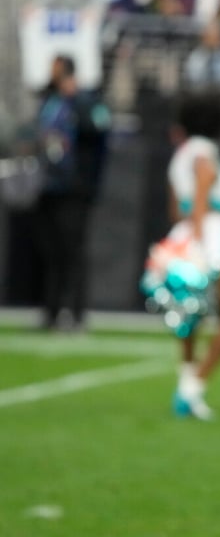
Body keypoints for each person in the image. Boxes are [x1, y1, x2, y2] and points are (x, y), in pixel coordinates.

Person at [166, 92, 220, 420]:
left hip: (183, 235)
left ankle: (187, 382)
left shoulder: (180, 153)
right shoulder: (204, 151)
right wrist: (200, 238)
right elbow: (203, 184)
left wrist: (186, 238)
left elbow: (175, 208)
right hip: (211, 236)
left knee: (189, 320)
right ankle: (192, 388)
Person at [33, 54, 111, 332]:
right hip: (49, 186)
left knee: (73, 251)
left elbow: (99, 128)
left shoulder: (84, 101)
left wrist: (78, 100)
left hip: (75, 188)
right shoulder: (50, 102)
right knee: (51, 251)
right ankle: (51, 312)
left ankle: (77, 313)